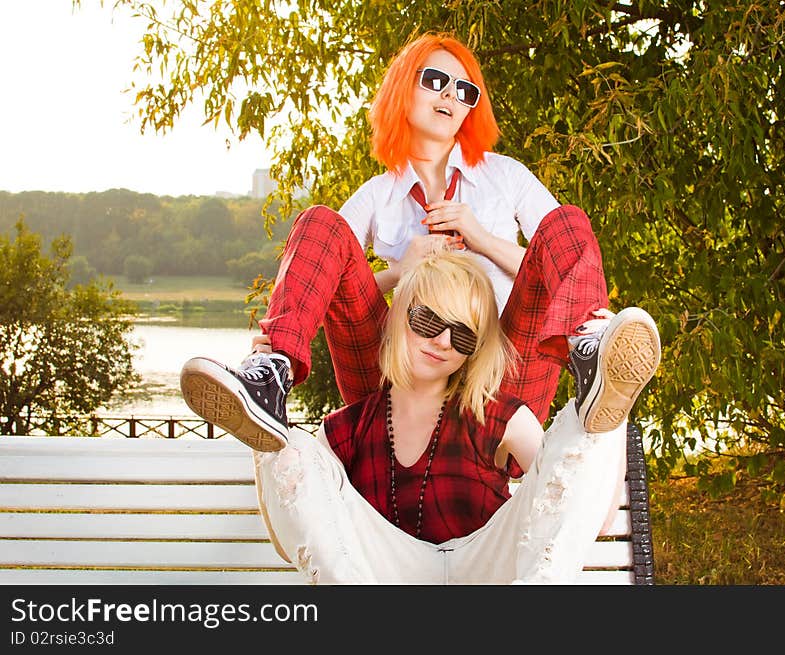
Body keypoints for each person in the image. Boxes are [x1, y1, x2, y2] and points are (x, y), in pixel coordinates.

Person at [179, 31, 661, 454]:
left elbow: (563, 265)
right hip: (398, 379)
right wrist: (397, 272)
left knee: (568, 223)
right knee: (320, 223)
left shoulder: (506, 177)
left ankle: (592, 357)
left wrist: (483, 239)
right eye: (436, 81)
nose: (451, 95)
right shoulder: (378, 194)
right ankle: (270, 376)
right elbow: (326, 282)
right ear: (403, 88)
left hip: (499, 375)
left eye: (465, 90)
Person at [252, 250, 632, 583]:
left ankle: (597, 380)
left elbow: (587, 515)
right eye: (429, 322)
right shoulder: (344, 430)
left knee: (576, 434)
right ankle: (266, 392)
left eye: (463, 336)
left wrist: (605, 423)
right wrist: (273, 450)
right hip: (379, 581)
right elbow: (299, 538)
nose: (444, 342)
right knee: (294, 448)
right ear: (399, 316)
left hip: (486, 574)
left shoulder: (499, 416)